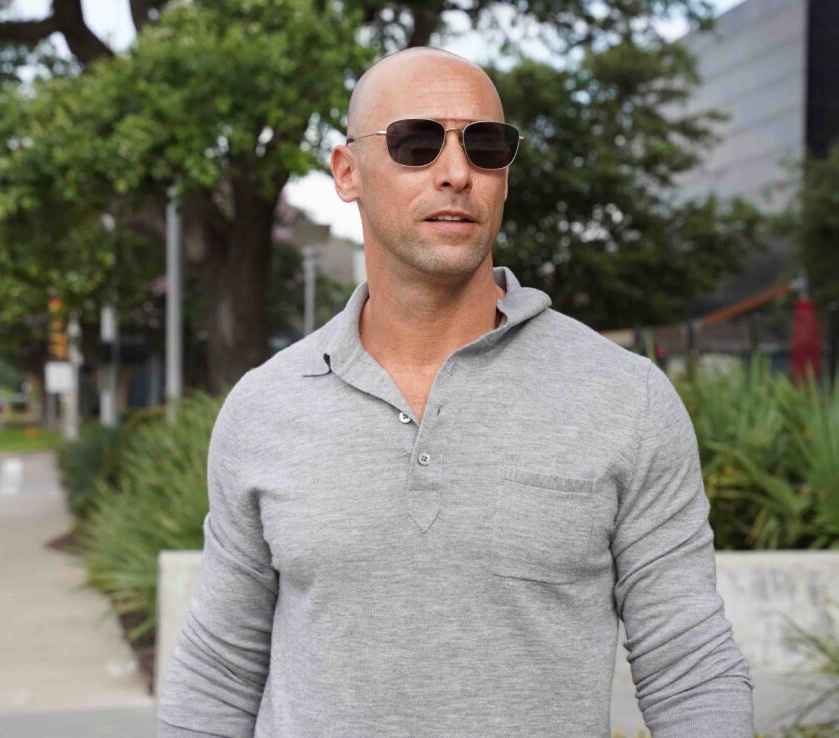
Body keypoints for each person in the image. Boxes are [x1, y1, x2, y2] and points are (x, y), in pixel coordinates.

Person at [157, 46, 753, 737]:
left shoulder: (627, 400)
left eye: (485, 146)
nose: (456, 173)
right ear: (347, 173)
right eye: (415, 144)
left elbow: (690, 668)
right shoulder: (265, 409)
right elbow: (218, 673)